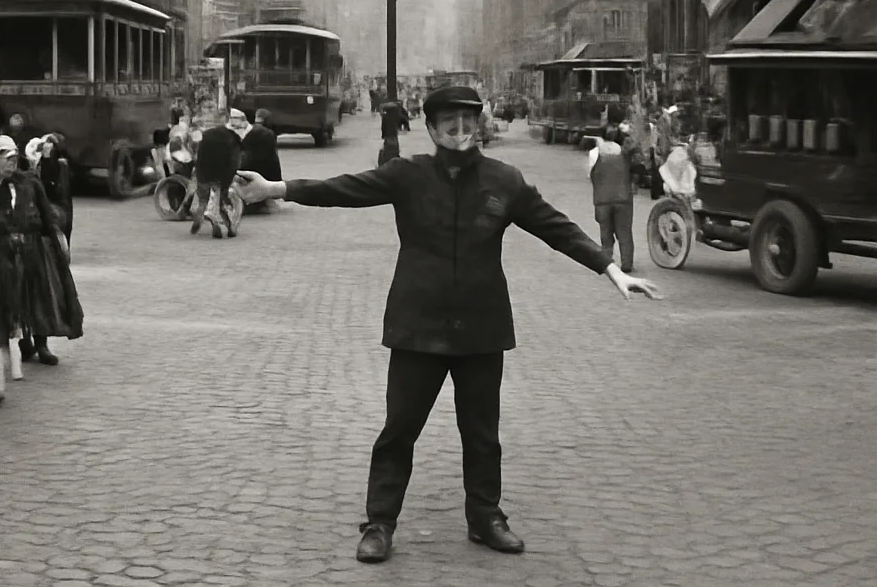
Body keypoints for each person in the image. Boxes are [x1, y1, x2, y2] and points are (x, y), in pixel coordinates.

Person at [236, 85, 662, 564]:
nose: (460, 133)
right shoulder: (407, 176)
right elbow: (344, 189)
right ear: (433, 129)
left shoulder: (505, 181)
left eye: (467, 123)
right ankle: (380, 521)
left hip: (482, 329)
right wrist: (276, 188)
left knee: (482, 433)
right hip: (417, 326)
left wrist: (611, 269)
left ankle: (485, 516)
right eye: (450, 125)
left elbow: (556, 227)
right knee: (399, 429)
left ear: (478, 126)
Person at [0, 136, 83, 370]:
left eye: (14, 158)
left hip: (33, 245)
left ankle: (42, 343)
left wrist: (56, 237)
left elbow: (46, 213)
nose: (11, 163)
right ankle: (23, 341)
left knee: (39, 294)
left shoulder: (29, 182)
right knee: (12, 295)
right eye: (6, 159)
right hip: (1, 249)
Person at [587, 124, 638, 273]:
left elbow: (590, 174)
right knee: (624, 232)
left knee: (606, 233)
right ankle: (627, 263)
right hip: (623, 198)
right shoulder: (625, 153)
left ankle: (607, 262)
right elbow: (635, 168)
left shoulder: (595, 153)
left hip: (602, 199)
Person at [190, 110, 245, 238]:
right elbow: (235, 159)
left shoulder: (206, 135)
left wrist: (197, 170)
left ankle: (199, 219)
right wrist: (233, 173)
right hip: (221, 175)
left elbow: (199, 156)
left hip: (203, 173)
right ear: (227, 120)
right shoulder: (232, 137)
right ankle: (230, 227)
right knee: (221, 203)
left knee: (203, 200)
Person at [240, 109, 281, 214]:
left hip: (243, 166)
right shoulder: (269, 134)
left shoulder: (246, 130)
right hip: (261, 168)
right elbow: (273, 159)